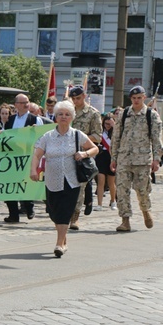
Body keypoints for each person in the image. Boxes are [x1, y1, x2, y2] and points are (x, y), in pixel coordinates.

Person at [29, 100, 99, 258]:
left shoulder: (77, 135)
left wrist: (84, 154)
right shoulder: (47, 136)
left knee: (65, 211)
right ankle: (63, 238)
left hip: (71, 179)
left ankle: (59, 243)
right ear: (55, 116)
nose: (63, 117)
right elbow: (37, 155)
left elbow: (95, 148)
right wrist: (33, 170)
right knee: (54, 212)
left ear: (72, 117)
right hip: (52, 180)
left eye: (67, 114)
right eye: (60, 114)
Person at [111, 86, 163, 232]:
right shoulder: (124, 114)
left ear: (144, 97)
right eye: (134, 98)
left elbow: (156, 139)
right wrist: (114, 157)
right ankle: (125, 220)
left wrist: (157, 159)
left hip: (142, 160)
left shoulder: (151, 115)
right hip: (124, 159)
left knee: (142, 190)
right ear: (131, 99)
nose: (136, 100)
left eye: (139, 98)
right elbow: (116, 137)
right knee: (122, 191)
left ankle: (146, 211)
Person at [68, 85, 102, 230]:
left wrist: (80, 139)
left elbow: (97, 137)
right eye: (73, 98)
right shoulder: (67, 111)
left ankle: (74, 217)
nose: (76, 101)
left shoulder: (93, 113)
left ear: (84, 96)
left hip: (82, 155)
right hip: (64, 153)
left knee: (79, 188)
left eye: (78, 98)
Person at [4, 93, 39, 222]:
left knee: (25, 183)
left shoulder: (35, 119)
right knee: (10, 185)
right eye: (23, 102)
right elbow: (6, 136)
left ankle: (29, 207)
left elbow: (41, 137)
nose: (26, 105)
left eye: (27, 102)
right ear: (16, 105)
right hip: (12, 157)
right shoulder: (11, 119)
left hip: (28, 156)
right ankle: (13, 214)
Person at [96, 114, 117, 211]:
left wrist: (114, 127)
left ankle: (113, 201)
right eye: (106, 123)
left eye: (109, 124)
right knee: (101, 181)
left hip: (111, 157)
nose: (107, 126)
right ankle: (99, 204)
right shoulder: (100, 132)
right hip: (101, 156)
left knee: (111, 182)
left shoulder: (116, 132)